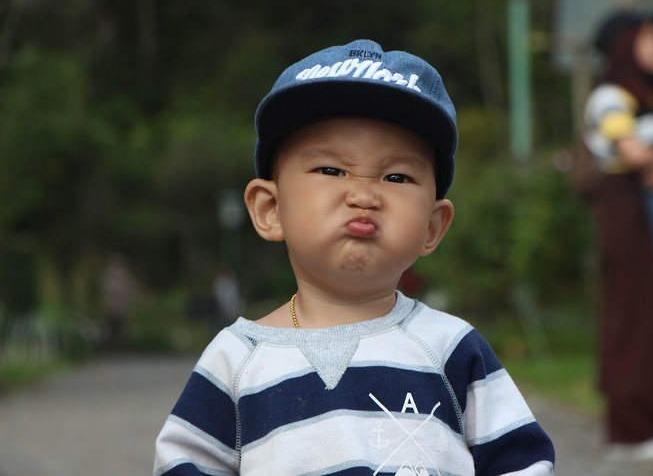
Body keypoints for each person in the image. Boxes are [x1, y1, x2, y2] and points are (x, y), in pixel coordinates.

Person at [154, 39, 555, 475]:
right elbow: (182, 462)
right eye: (331, 170)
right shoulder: (238, 359)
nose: (363, 195)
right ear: (270, 210)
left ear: (433, 226)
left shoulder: (451, 349)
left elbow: (522, 462)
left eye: (397, 176)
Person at [583, 11, 653, 461]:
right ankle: (632, 428)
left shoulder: (652, 94)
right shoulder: (611, 95)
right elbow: (630, 147)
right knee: (637, 317)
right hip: (628, 213)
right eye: (648, 36)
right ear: (625, 43)